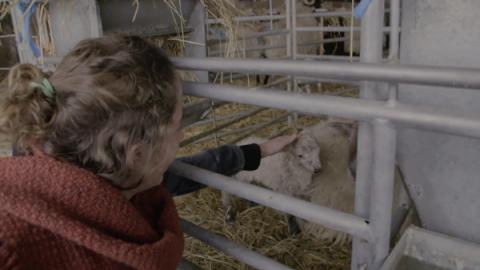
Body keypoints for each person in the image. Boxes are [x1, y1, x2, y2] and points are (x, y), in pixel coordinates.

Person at [0, 35, 297, 270]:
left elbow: (184, 172)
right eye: (179, 124)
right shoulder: (14, 248)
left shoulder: (103, 171)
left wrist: (259, 150)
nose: (182, 136)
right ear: (138, 154)